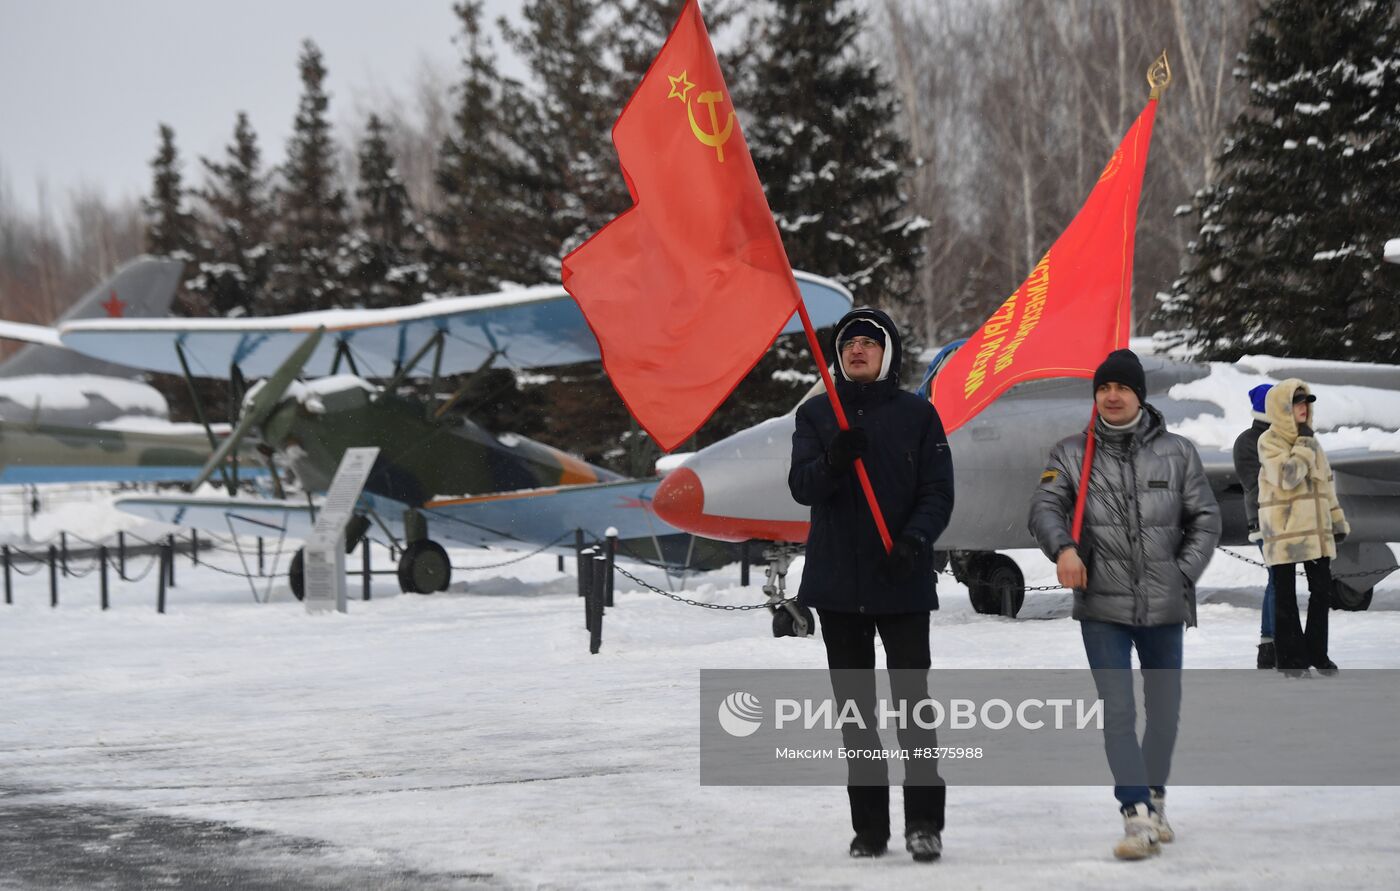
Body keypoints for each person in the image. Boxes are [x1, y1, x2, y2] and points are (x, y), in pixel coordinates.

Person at [1028, 348, 1220, 861]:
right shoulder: (1072, 452)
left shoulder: (1178, 452)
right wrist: (1063, 548)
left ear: (1139, 394)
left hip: (1163, 605)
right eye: (1104, 387)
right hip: (1102, 607)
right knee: (1117, 711)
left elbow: (1206, 518)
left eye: (1123, 387)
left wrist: (1180, 573)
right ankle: (1134, 812)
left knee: (1164, 713)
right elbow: (1045, 507)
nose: (1112, 396)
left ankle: (1156, 798)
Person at [788, 307, 955, 862]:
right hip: (839, 586)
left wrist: (912, 542)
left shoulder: (918, 415)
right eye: (848, 342)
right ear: (838, 356)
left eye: (869, 341)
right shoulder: (816, 416)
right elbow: (802, 488)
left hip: (901, 581)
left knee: (913, 709)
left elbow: (938, 492)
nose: (857, 348)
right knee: (857, 716)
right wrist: (834, 460)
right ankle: (870, 830)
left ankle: (925, 823)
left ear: (887, 353)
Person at [1257, 379, 1348, 678]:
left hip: (1317, 530)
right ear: (1283, 408)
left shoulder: (1313, 441)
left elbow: (1326, 485)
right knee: (1285, 596)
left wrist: (1337, 520)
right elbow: (1288, 476)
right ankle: (1291, 660)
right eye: (1297, 402)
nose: (1303, 408)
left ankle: (1317, 654)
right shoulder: (1269, 441)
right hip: (1285, 531)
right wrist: (1305, 443)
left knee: (1321, 593)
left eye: (1306, 402)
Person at [1232, 383, 1277, 668]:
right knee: (1277, 579)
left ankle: (1271, 643)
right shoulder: (1249, 441)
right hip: (1265, 519)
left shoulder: (1283, 438)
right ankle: (1270, 642)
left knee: (1278, 580)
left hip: (1287, 519)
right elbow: (1256, 482)